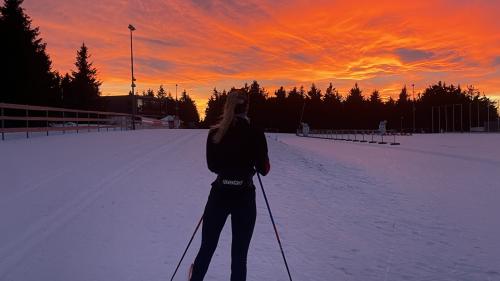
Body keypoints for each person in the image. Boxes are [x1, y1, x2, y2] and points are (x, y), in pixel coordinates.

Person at [189, 88, 270, 281]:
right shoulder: (256, 133)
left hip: (219, 195)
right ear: (247, 107)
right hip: (245, 196)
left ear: (228, 106)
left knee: (207, 247)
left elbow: (212, 166)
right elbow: (264, 169)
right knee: (239, 255)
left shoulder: (215, 133)